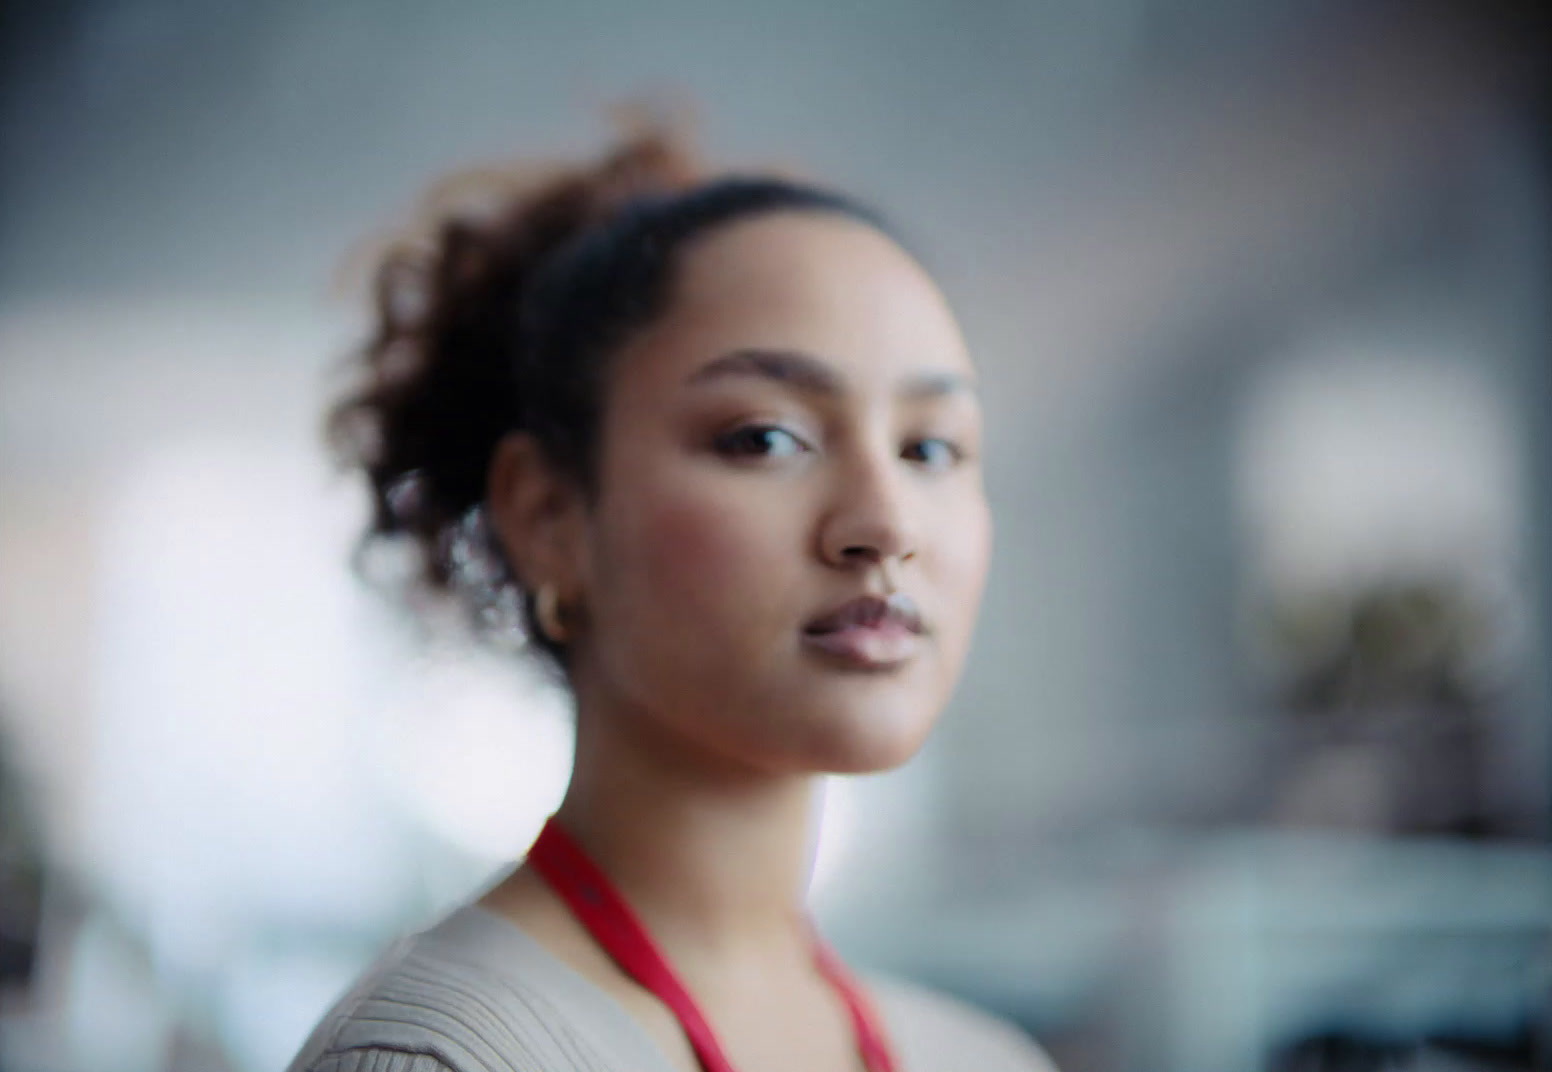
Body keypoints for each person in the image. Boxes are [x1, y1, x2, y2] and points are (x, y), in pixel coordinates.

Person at [289, 120, 1054, 1072]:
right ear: (549, 518)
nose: (887, 525)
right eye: (765, 438)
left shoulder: (985, 1061)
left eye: (929, 448)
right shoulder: (445, 1059)